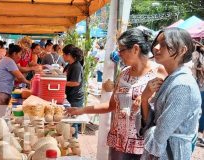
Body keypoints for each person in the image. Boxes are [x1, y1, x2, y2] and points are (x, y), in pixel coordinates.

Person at [66, 28, 167, 159]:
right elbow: (111, 106)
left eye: (121, 50)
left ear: (135, 49)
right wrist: (81, 110)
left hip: (143, 146)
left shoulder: (158, 72)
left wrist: (144, 98)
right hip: (118, 143)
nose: (119, 54)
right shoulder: (123, 74)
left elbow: (164, 113)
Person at [138, 28, 201, 160]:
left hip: (171, 152)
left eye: (164, 44)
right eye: (156, 42)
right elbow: (153, 123)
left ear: (182, 50)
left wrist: (150, 131)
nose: (155, 47)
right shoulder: (172, 79)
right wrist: (144, 99)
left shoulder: (182, 85)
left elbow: (160, 134)